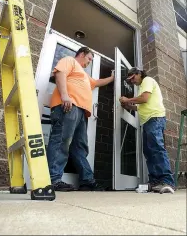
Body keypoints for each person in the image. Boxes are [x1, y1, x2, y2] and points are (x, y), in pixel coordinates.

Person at [46, 47, 114, 191]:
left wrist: (113, 78)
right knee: (61, 141)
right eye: (89, 59)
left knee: (80, 147)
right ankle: (53, 179)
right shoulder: (69, 60)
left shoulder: (84, 75)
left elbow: (97, 82)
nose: (89, 62)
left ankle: (86, 180)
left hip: (82, 112)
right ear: (82, 54)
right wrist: (65, 95)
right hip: (68, 107)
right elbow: (60, 73)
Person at [119, 67, 175, 194]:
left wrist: (127, 100)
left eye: (133, 78)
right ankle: (155, 181)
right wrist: (129, 106)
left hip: (154, 118)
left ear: (139, 73)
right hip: (147, 121)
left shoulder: (147, 80)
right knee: (149, 152)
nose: (132, 81)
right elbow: (140, 107)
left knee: (156, 149)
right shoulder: (141, 87)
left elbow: (144, 98)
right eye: (130, 80)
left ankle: (167, 181)